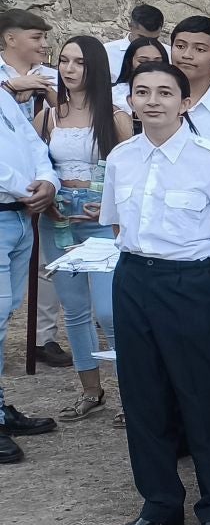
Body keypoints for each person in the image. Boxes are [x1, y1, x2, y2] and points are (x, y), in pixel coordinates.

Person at [102, 61, 210, 525]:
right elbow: (118, 226)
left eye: (165, 93)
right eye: (141, 92)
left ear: (185, 103)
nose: (152, 101)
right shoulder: (122, 157)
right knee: (143, 395)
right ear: (130, 101)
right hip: (134, 280)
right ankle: (160, 502)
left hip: (190, 283)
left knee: (202, 396)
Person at [34, 35, 131, 421]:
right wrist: (47, 198)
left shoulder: (116, 115)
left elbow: (129, 173)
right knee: (73, 310)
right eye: (64, 61)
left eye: (78, 63)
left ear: (95, 69)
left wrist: (108, 210)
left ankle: (132, 394)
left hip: (99, 218)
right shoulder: (49, 115)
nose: (69, 70)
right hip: (58, 218)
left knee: (109, 313)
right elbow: (40, 165)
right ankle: (90, 390)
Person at [0, 54, 56, 463]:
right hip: (10, 206)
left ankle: (0, 406)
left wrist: (48, 180)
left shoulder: (4, 97)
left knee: (5, 317)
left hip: (18, 217)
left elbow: (33, 142)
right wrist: (27, 188)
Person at [112, 34, 169, 113]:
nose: (151, 66)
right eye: (143, 61)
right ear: (129, 63)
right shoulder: (114, 95)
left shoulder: (174, 92)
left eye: (157, 62)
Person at [106, 2, 165, 77]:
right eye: (142, 38)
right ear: (130, 27)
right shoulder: (107, 53)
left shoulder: (168, 53)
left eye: (155, 39)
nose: (148, 43)